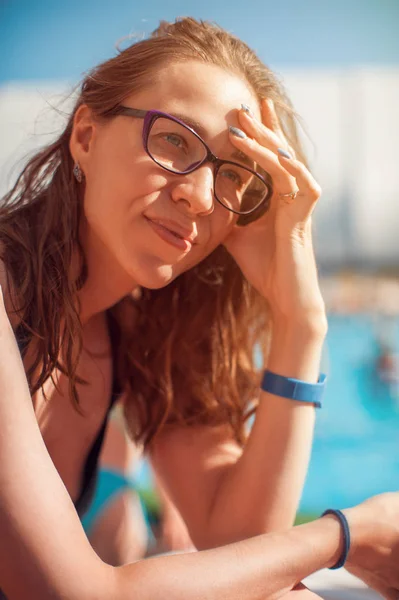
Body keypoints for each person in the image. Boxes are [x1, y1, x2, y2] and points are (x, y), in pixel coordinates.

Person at [0, 16, 398, 600]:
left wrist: (300, 322)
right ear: (85, 135)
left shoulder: (138, 326)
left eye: (233, 173)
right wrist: (345, 536)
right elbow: (66, 591)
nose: (201, 195)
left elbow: (238, 542)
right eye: (173, 140)